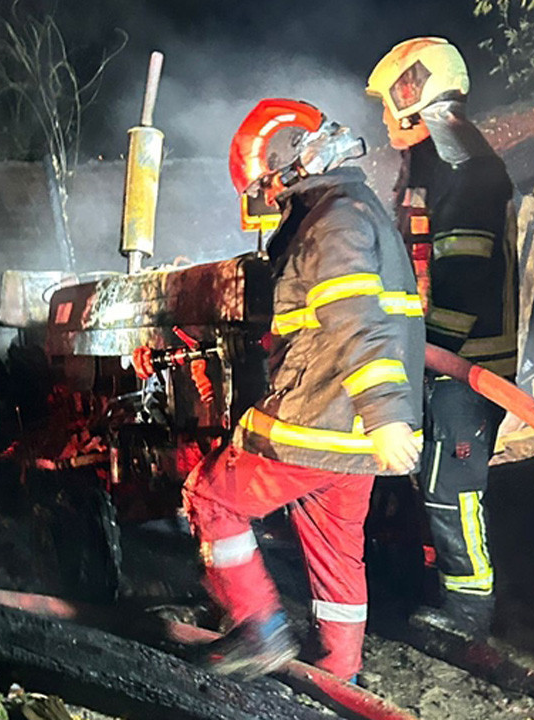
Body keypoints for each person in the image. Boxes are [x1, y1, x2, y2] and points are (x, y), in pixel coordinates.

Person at [181, 98, 425, 680]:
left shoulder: (332, 223)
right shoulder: (357, 210)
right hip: (354, 437)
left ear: (295, 165)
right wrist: (381, 419)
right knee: (337, 552)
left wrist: (385, 413)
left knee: (211, 496)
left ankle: (258, 628)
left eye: (267, 184)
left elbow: (355, 317)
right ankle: (340, 674)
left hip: (322, 420)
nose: (268, 199)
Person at [366, 37, 518, 639]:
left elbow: (463, 281)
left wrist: (423, 355)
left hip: (467, 366)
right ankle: (428, 584)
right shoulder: (440, 169)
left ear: (414, 95)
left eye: (389, 104)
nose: (385, 119)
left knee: (452, 488)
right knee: (428, 481)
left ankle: (470, 612)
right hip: (442, 360)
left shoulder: (469, 173)